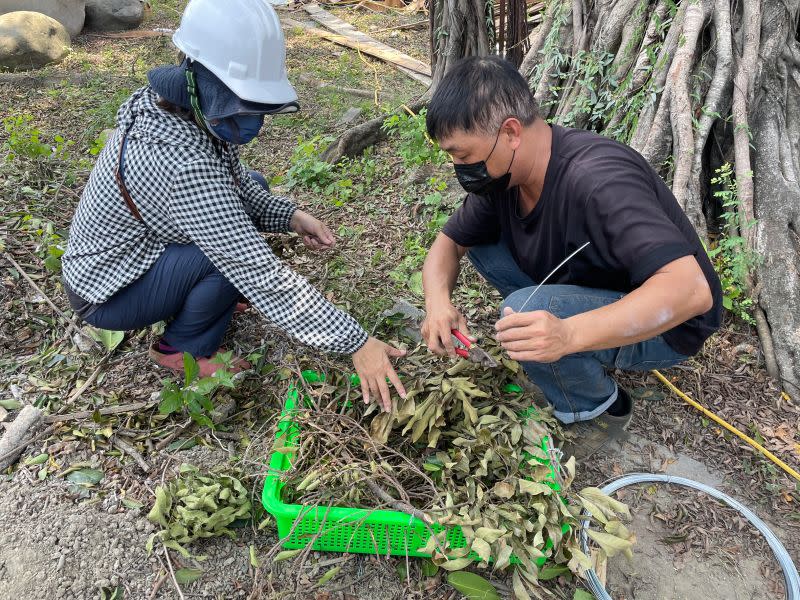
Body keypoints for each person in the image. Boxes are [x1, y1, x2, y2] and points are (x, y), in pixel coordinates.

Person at [62, 0, 406, 410]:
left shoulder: (174, 109)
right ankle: (180, 349)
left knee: (253, 190)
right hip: (108, 289)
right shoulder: (184, 163)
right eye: (241, 104)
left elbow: (237, 184)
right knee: (227, 260)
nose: (253, 124)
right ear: (201, 85)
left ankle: (204, 297)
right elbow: (253, 266)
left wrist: (289, 216)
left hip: (134, 253)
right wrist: (357, 341)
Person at [420, 56, 722, 447]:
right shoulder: (504, 176)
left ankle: (598, 407)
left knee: (525, 311)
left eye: (463, 156)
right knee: (483, 245)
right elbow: (448, 244)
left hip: (670, 325)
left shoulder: (599, 180)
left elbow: (691, 292)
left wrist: (567, 334)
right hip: (597, 284)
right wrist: (437, 304)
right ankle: (568, 335)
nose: (459, 167)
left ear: (510, 132)